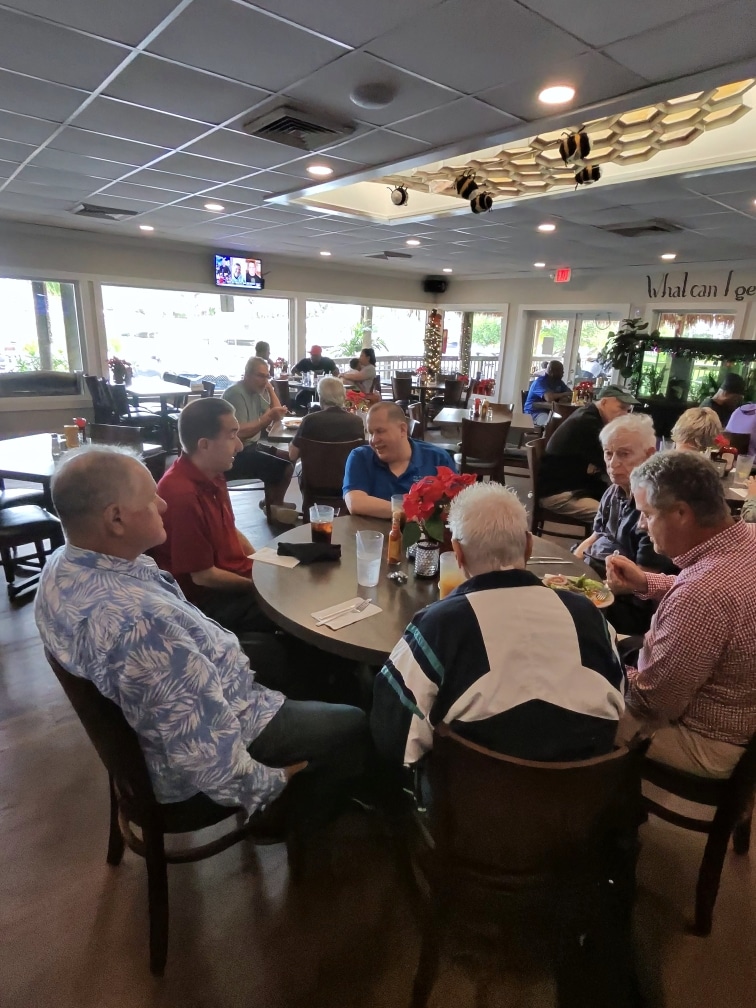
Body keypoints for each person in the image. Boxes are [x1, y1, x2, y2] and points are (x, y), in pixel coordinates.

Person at [34, 446, 368, 835]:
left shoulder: (62, 567)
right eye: (150, 499)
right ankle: (290, 820)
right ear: (116, 518)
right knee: (353, 723)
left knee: (288, 655)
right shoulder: (141, 625)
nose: (162, 504)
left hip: (192, 699)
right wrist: (270, 783)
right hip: (203, 762)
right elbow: (207, 756)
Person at [371, 481, 624, 765]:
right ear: (529, 546)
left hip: (469, 790)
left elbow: (395, 734)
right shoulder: (589, 616)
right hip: (585, 788)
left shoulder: (439, 625)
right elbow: (619, 698)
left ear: (458, 552)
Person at [606, 452, 756, 778]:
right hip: (745, 715)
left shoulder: (701, 595)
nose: (641, 525)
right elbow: (716, 593)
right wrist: (646, 582)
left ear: (681, 513)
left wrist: (600, 665)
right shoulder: (747, 539)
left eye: (647, 514)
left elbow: (652, 703)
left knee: (581, 708)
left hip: (710, 742)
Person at [150, 398, 277, 638]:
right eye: (232, 436)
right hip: (207, 602)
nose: (239, 446)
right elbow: (203, 577)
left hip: (230, 580)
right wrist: (258, 585)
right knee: (294, 606)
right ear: (204, 445)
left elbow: (231, 529)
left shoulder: (213, 473)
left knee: (298, 582)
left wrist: (261, 563)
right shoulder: (181, 494)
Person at [573, 414, 678, 633]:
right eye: (608, 453)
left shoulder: (654, 506)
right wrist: (574, 565)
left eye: (624, 454)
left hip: (628, 601)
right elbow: (597, 533)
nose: (613, 463)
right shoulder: (614, 490)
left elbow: (644, 577)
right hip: (595, 573)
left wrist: (587, 592)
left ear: (649, 454)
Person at [537, 384, 640, 521]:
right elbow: (613, 465)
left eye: (628, 410)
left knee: (622, 504)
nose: (625, 415)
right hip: (559, 494)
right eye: (621, 408)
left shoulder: (590, 415)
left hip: (574, 485)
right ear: (604, 402)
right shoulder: (588, 423)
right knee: (616, 517)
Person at [343, 402, 456, 519]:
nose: (373, 440)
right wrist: (412, 512)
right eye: (371, 433)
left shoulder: (438, 458)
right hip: (371, 531)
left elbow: (456, 505)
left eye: (380, 431)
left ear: (402, 429)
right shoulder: (360, 457)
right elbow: (355, 503)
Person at [222, 357, 296, 523]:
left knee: (290, 457)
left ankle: (273, 502)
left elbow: (278, 413)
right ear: (247, 375)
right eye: (260, 376)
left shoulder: (255, 391)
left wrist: (269, 388)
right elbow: (240, 433)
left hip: (251, 446)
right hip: (235, 453)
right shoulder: (236, 394)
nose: (264, 380)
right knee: (284, 467)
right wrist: (266, 418)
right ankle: (273, 508)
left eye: (267, 376)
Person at [288, 376, 365, 463]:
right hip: (347, 471)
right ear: (343, 396)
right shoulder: (356, 421)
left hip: (314, 471)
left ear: (320, 397)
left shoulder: (309, 420)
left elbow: (292, 455)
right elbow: (360, 455)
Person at [291, 345, 340, 412]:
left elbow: (336, 371)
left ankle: (322, 413)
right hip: (308, 389)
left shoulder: (327, 361)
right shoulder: (305, 362)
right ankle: (304, 414)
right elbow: (293, 370)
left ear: (320, 355)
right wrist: (302, 376)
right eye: (311, 355)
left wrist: (332, 378)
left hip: (325, 389)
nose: (313, 357)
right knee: (299, 398)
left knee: (326, 399)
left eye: (315, 355)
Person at [523, 360, 572, 427]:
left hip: (550, 411)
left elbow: (570, 393)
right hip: (535, 412)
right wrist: (564, 394)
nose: (563, 372)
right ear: (551, 371)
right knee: (550, 424)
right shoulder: (540, 382)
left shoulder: (559, 382)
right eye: (560, 370)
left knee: (567, 421)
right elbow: (549, 398)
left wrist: (565, 397)